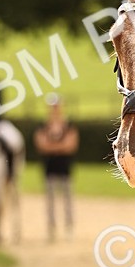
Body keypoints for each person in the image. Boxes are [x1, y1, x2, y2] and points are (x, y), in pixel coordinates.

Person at [33, 95, 79, 240]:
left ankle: (68, 227)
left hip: (65, 169)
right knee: (50, 201)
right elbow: (41, 145)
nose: (55, 109)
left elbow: (71, 146)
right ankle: (51, 229)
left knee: (67, 200)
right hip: (49, 169)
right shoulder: (43, 126)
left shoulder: (68, 125)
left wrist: (52, 147)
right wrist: (60, 146)